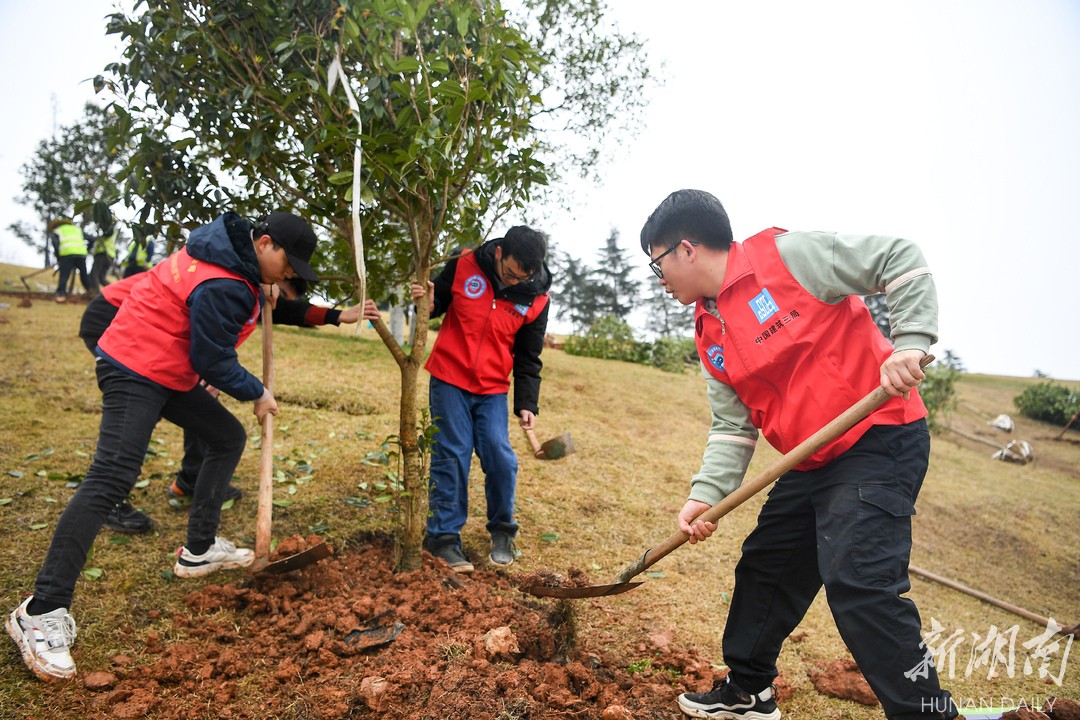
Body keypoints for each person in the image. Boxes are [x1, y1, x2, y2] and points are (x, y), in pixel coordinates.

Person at [639, 190, 957, 720]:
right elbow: (731, 427)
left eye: (658, 263)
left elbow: (898, 256)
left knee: (859, 581)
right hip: (810, 460)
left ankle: (928, 714)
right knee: (768, 565)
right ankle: (750, 691)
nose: (660, 277)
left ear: (686, 249)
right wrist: (706, 495)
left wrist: (910, 342)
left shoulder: (784, 258)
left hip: (878, 438)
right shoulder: (708, 328)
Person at [6, 210, 320, 682]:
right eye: (288, 265)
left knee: (224, 436)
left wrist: (273, 291)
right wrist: (257, 391)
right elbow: (211, 358)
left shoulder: (223, 251)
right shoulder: (226, 281)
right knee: (111, 477)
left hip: (162, 366)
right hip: (136, 367)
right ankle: (41, 610)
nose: (288, 276)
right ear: (265, 243)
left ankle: (199, 549)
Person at [77, 274, 363, 533]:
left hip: (165, 329)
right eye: (278, 292)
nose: (276, 304)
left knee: (199, 399)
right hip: (117, 314)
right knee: (144, 401)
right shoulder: (234, 280)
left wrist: (337, 315)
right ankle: (110, 497)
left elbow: (285, 310)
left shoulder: (258, 287)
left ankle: (190, 479)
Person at [402, 226, 551, 573]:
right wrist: (424, 298)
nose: (514, 282)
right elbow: (434, 305)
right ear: (499, 253)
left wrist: (527, 403)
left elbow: (529, 357)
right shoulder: (466, 262)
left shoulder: (536, 298)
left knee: (500, 457)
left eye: (522, 277)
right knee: (451, 454)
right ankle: (442, 540)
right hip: (449, 377)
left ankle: (502, 531)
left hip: (493, 388)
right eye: (510, 273)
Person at [48, 218, 94, 302]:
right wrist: (87, 250)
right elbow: (91, 239)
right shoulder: (77, 230)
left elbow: (55, 244)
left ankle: (61, 295)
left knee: (64, 275)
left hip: (66, 254)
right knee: (84, 275)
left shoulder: (57, 231)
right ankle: (91, 292)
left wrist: (59, 257)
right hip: (81, 254)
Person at [88, 221, 119, 289]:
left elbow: (108, 232)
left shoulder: (110, 230)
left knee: (94, 274)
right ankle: (114, 290)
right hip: (109, 255)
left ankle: (94, 292)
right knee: (101, 277)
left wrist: (102, 224)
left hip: (103, 254)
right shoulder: (105, 235)